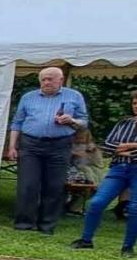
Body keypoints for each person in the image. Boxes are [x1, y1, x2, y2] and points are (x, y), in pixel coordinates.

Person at [71, 88, 137, 258]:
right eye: (134, 103)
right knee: (97, 202)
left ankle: (128, 247)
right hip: (119, 168)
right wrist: (134, 147)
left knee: (136, 207)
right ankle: (86, 239)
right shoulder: (124, 123)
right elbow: (108, 146)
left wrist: (125, 147)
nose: (136, 106)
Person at [6, 66, 89, 234]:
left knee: (54, 186)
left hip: (60, 145)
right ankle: (24, 224)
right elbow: (17, 122)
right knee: (28, 185)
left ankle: (47, 225)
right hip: (30, 144)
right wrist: (12, 146)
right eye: (43, 79)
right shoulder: (28, 97)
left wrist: (71, 120)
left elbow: (84, 121)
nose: (46, 82)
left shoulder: (74, 96)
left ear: (61, 80)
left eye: (50, 79)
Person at [65, 127, 105, 214]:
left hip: (88, 172)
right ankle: (73, 207)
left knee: (94, 185)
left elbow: (99, 165)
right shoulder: (66, 146)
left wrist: (93, 152)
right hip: (72, 172)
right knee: (87, 179)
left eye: (82, 138)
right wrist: (73, 154)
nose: (79, 140)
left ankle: (74, 206)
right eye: (76, 138)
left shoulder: (91, 147)